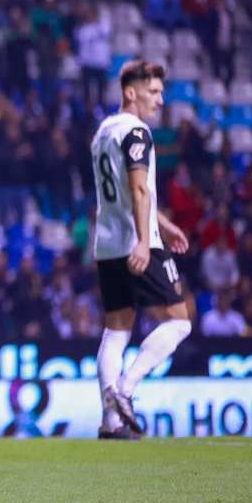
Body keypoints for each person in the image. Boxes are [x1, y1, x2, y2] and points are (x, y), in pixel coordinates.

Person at [91, 60, 193, 441]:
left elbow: (117, 190)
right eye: (153, 92)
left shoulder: (103, 132)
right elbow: (138, 189)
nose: (160, 100)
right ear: (130, 92)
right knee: (179, 320)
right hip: (137, 242)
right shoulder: (136, 132)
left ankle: (110, 423)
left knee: (116, 329)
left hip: (107, 244)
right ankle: (126, 390)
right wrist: (144, 239)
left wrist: (164, 225)